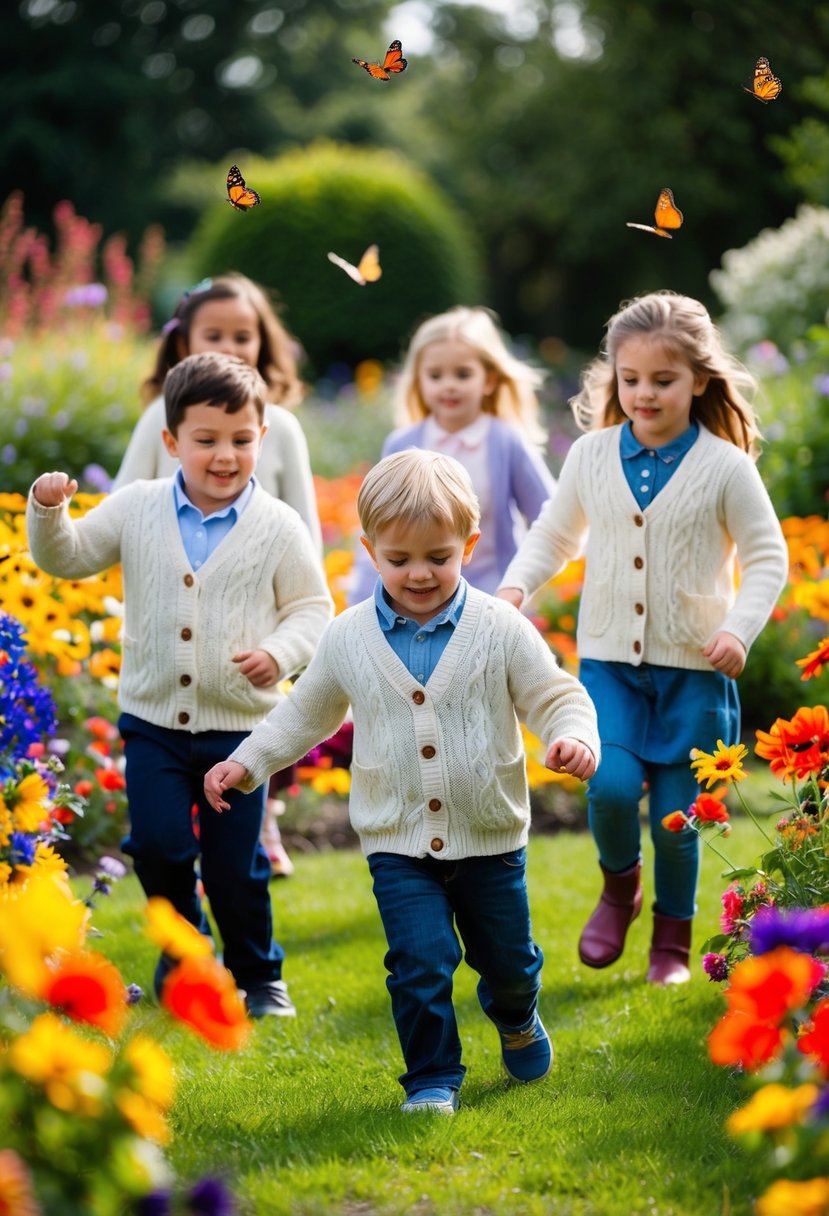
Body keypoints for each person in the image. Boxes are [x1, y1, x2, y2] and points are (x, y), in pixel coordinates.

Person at [205, 449, 600, 1113]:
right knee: (418, 961)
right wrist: (248, 762)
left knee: (507, 962)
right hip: (397, 839)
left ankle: (516, 1015)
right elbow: (304, 714)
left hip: (489, 835)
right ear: (370, 551)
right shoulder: (348, 636)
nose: (419, 573)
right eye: (399, 559)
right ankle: (431, 1077)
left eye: (438, 557)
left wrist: (574, 735)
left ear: (468, 546)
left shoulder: (500, 629)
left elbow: (555, 695)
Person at [27, 352, 334, 1018]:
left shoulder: (277, 526)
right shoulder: (137, 508)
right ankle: (189, 954)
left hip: (242, 731)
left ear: (262, 437)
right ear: (171, 441)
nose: (225, 455)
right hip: (154, 723)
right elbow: (68, 557)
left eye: (241, 440)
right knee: (160, 848)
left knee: (234, 867)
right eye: (206, 439)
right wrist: (49, 513)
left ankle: (259, 976)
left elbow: (313, 610)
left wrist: (278, 652)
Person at [496, 291, 789, 986]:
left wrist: (738, 629)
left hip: (694, 672)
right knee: (608, 785)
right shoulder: (591, 455)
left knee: (678, 822)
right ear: (614, 378)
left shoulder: (725, 466)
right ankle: (618, 889)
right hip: (609, 666)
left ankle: (671, 945)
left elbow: (767, 555)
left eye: (663, 380)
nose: (644, 394)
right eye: (630, 379)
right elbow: (554, 534)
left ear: (699, 380)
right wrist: (514, 589)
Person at [114, 272, 322, 876]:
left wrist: (289, 631)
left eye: (243, 336)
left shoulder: (280, 426)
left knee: (253, 737)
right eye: (214, 335)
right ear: (184, 343)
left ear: (264, 343)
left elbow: (303, 523)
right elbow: (123, 506)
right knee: (167, 791)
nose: (230, 347)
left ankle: (260, 824)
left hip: (253, 618)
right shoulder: (160, 418)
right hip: (172, 628)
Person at [348, 306, 556, 604]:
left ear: (489, 380)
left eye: (462, 374)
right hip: (416, 597)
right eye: (435, 375)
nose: (449, 385)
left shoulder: (506, 442)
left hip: (491, 596)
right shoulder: (402, 444)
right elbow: (375, 527)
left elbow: (550, 516)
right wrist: (360, 601)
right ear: (419, 381)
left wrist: (519, 584)